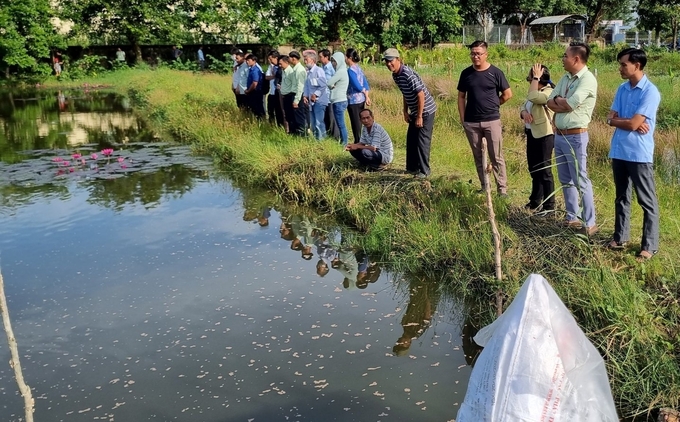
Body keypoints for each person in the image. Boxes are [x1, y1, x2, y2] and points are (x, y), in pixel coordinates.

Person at [606, 48, 661, 260]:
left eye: (623, 64)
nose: (620, 68)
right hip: (619, 150)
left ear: (636, 65)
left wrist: (627, 122)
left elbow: (633, 122)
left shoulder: (650, 92)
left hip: (639, 154)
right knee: (621, 197)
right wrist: (623, 122)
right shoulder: (622, 89)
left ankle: (649, 245)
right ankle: (620, 237)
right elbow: (610, 118)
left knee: (647, 201)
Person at [547, 42, 598, 235]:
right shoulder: (566, 77)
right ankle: (571, 217)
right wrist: (561, 102)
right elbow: (550, 100)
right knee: (566, 179)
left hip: (576, 136)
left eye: (565, 56)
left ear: (576, 59)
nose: (562, 59)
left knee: (580, 178)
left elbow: (571, 103)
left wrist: (561, 102)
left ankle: (590, 222)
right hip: (559, 136)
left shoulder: (587, 80)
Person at [457, 40, 512, 195]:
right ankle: (485, 186)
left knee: (496, 156)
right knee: (479, 156)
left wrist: (495, 104)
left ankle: (502, 190)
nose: (475, 57)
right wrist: (463, 119)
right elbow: (461, 97)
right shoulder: (466, 74)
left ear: (486, 54)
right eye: (473, 53)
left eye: (479, 54)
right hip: (471, 122)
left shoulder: (495, 73)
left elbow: (508, 94)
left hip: (492, 121)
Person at [384, 48, 437, 178]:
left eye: (391, 61)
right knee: (412, 139)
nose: (389, 64)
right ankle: (412, 168)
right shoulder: (395, 75)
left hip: (425, 110)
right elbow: (405, 93)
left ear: (398, 60)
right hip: (414, 110)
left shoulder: (408, 74)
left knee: (422, 140)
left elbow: (421, 95)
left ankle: (424, 171)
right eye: (386, 61)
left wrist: (419, 116)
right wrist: (405, 111)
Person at [520, 63, 556, 214]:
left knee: (545, 171)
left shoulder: (549, 92)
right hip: (532, 133)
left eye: (532, 77)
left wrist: (535, 76)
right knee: (534, 169)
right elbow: (523, 106)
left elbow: (533, 97)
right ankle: (535, 201)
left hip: (545, 135)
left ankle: (549, 206)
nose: (529, 79)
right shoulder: (534, 90)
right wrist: (524, 114)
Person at [346, 48, 372, 143]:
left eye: (346, 56)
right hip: (361, 100)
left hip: (353, 100)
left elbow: (357, 86)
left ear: (349, 58)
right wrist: (367, 96)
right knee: (361, 122)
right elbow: (365, 84)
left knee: (356, 122)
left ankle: (358, 142)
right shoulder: (358, 68)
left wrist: (364, 93)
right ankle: (363, 140)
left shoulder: (350, 70)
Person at [303, 50, 329, 140]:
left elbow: (323, 85)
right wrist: (305, 96)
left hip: (319, 101)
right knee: (313, 123)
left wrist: (315, 95)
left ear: (312, 60)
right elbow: (307, 85)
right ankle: (315, 141)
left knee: (319, 122)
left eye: (306, 59)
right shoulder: (308, 72)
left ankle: (322, 141)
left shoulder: (319, 70)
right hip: (311, 101)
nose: (305, 61)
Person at [327, 51, 350, 145]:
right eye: (332, 61)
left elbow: (328, 82)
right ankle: (343, 142)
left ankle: (344, 144)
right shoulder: (343, 70)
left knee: (341, 124)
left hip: (339, 100)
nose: (333, 63)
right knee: (340, 124)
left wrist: (331, 86)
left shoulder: (340, 72)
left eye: (334, 61)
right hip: (341, 100)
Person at [320, 49, 340, 139]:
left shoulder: (331, 68)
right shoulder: (322, 68)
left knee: (332, 117)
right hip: (323, 97)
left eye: (321, 57)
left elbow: (334, 82)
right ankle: (328, 135)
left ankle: (336, 137)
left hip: (330, 96)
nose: (319, 59)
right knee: (326, 117)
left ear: (326, 57)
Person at [288, 50, 308, 136]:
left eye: (289, 58)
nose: (288, 59)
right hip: (295, 94)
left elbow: (300, 86)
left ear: (294, 59)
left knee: (299, 117)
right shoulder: (295, 69)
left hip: (298, 95)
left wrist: (296, 100)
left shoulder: (299, 70)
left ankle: (303, 135)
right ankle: (298, 134)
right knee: (295, 116)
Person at [265, 50, 285, 127]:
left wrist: (274, 76)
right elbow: (267, 77)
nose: (269, 61)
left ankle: (281, 126)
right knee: (270, 111)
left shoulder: (281, 67)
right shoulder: (271, 67)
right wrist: (273, 76)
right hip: (272, 92)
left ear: (276, 58)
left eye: (271, 59)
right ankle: (272, 125)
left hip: (279, 92)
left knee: (279, 111)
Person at [278, 55, 296, 133]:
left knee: (291, 115)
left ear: (286, 62)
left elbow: (293, 84)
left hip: (289, 95)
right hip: (284, 95)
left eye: (280, 63)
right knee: (287, 115)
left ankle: (293, 131)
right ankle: (289, 131)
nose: (279, 65)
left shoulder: (290, 71)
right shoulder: (283, 70)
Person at [244, 54, 265, 118]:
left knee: (257, 108)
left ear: (254, 61)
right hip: (253, 92)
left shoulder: (255, 70)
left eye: (249, 60)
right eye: (247, 60)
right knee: (253, 108)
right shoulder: (251, 69)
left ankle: (261, 121)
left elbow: (254, 83)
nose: (247, 62)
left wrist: (248, 91)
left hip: (256, 92)